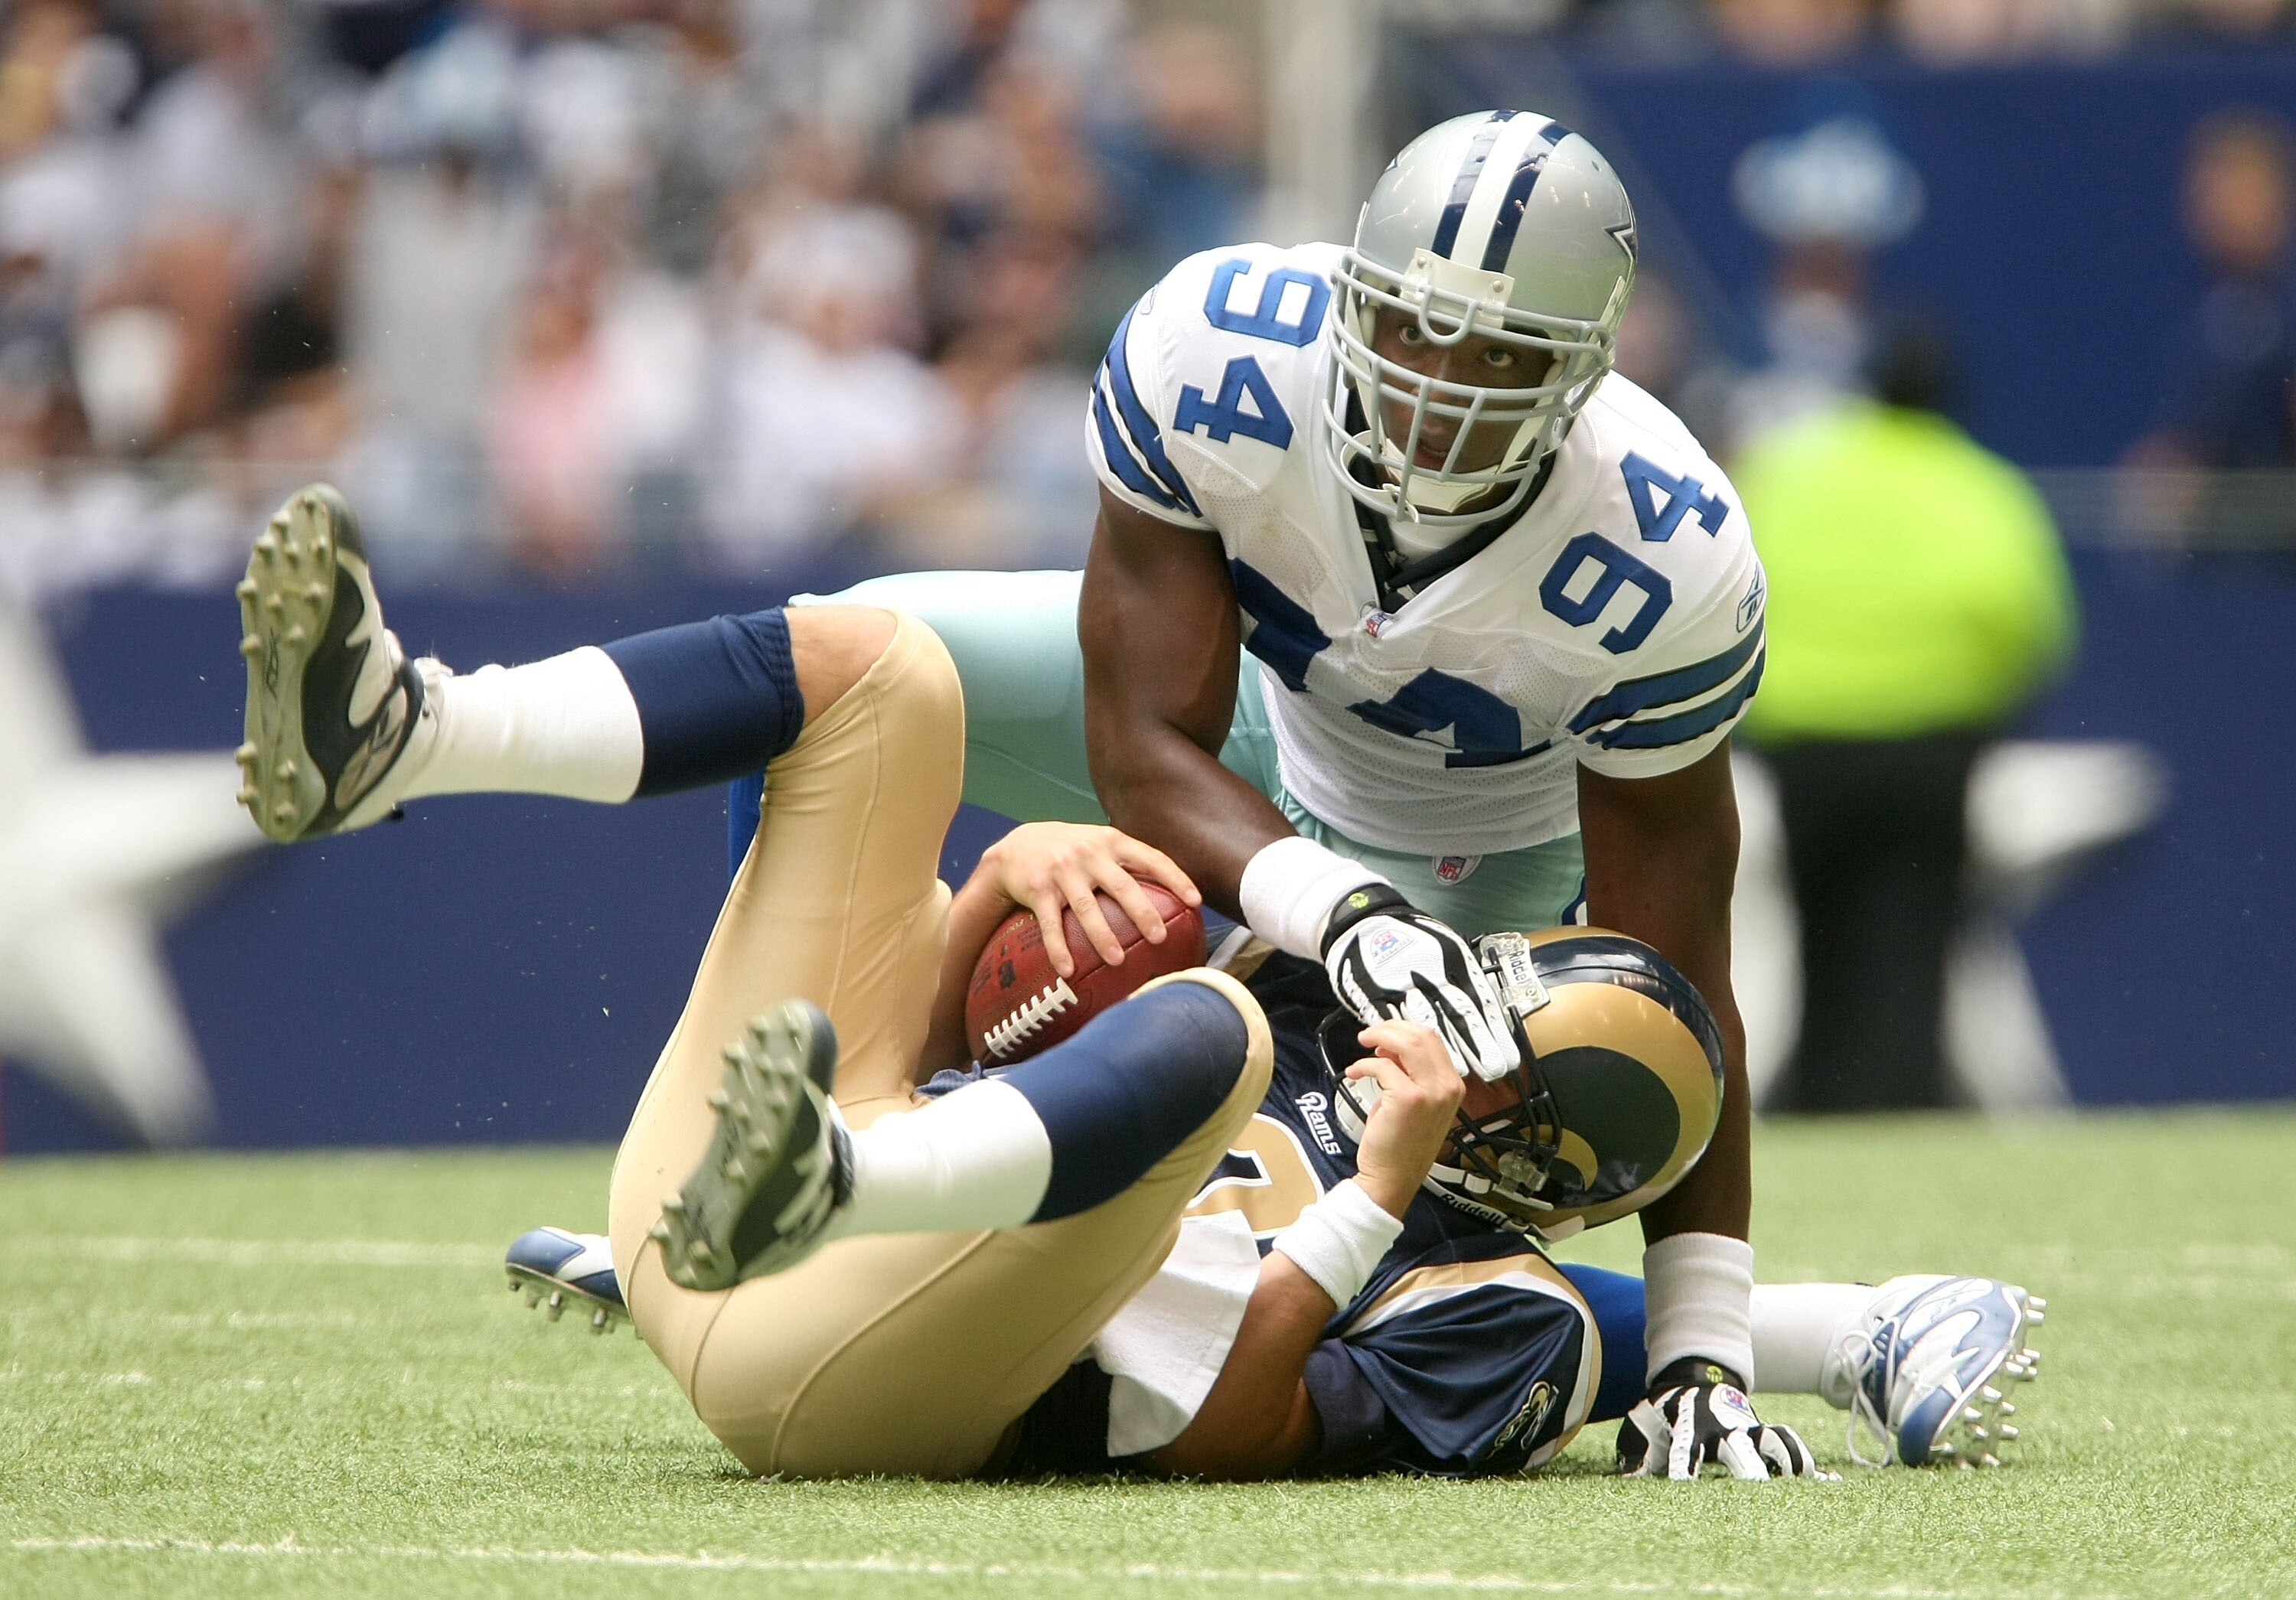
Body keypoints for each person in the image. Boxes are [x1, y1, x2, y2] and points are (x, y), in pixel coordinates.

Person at [234, 486, 2040, 1478]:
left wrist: (1382, 1199)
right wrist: (993, 883)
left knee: (1204, 1026)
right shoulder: (1322, 1014)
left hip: (864, 1379)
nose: (1472, 1008)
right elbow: (936, 1051)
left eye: (1517, 1035)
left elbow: (1235, 1435)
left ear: (1536, 1148)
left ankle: (819, 1187)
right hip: (731, 1234)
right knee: (888, 673)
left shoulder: (1506, 1298)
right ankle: (415, 729)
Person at [742, 109, 1781, 1468]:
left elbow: (1681, 976)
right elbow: (1136, 734)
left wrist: (1714, 1349)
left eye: (1503, 354)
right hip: (1233, 753)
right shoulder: (1227, 344)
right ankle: (770, 1153)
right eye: (1411, 330)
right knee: (843, 671)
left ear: (1583, 375)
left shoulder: (1665, 546)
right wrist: (1310, 906)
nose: (1443, 388)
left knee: (1416, 1148)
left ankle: (1834, 1334)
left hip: (1466, 863)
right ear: (1352, 299)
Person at [1733, 320, 2077, 1110]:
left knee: (1821, 932)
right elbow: (2034, 626)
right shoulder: (1981, 487)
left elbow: (1729, 588)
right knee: (1915, 937)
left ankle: (1825, 1102)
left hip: (1806, 747)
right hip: (1933, 749)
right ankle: (1900, 1101)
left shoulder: (1796, 474)